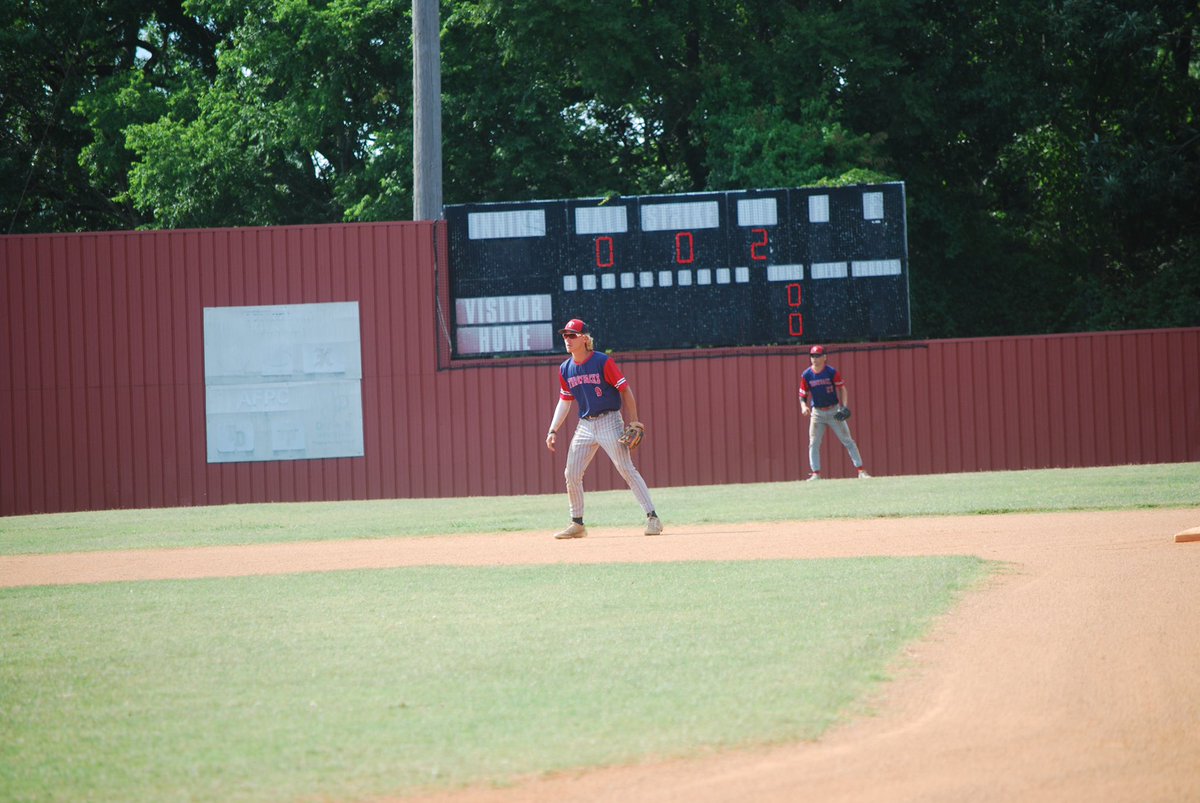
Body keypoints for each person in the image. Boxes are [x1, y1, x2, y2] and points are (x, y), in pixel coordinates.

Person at [545, 318, 663, 538]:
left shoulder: (602, 361)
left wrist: (634, 421)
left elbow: (625, 390)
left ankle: (653, 518)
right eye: (565, 335)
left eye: (572, 335)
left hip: (609, 420)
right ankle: (577, 524)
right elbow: (565, 399)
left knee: (626, 469)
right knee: (571, 473)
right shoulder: (565, 368)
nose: (567, 339)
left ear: (584, 338)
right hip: (585, 425)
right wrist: (553, 430)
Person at [798, 344, 870, 480]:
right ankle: (815, 473)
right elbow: (802, 394)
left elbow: (842, 389)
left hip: (833, 410)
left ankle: (861, 471)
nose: (815, 358)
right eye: (812, 356)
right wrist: (803, 406)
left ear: (824, 357)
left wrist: (844, 406)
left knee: (848, 440)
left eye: (818, 356)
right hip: (817, 413)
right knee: (813, 442)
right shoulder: (807, 374)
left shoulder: (831, 372)